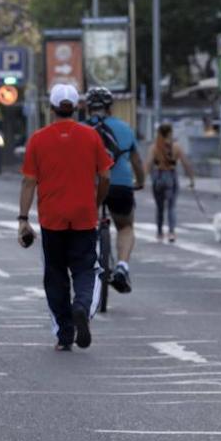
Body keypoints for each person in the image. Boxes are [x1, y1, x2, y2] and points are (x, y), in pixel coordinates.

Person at [18, 83, 114, 351]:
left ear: (51, 108)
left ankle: (64, 334)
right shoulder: (91, 137)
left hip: (52, 219)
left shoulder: (38, 139)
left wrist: (23, 219)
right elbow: (105, 175)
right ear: (77, 107)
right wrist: (96, 201)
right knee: (86, 269)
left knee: (55, 276)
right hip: (84, 216)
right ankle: (81, 307)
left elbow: (28, 181)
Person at [82, 87, 145, 292]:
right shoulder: (125, 128)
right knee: (125, 227)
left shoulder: (80, 129)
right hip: (121, 184)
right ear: (110, 107)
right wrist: (141, 181)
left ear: (88, 108)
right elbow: (137, 161)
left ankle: (88, 264)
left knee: (85, 228)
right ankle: (122, 266)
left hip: (89, 186)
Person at [145, 123, 197, 243]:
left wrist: (142, 179)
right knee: (171, 206)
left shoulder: (154, 147)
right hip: (171, 177)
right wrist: (191, 179)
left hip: (158, 177)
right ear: (170, 133)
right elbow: (186, 163)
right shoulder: (176, 147)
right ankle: (171, 232)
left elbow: (148, 164)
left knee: (159, 207)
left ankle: (159, 232)